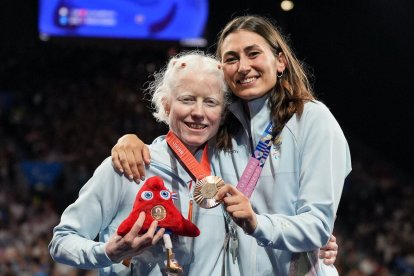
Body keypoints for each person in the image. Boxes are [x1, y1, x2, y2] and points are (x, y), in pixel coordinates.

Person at [111, 15, 350, 275]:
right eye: (232, 58)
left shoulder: (312, 120)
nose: (243, 67)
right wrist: (131, 142)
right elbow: (180, 149)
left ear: (280, 61)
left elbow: (318, 226)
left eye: (253, 53)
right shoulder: (223, 128)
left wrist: (258, 224)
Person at [49, 51, 240, 275]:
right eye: (186, 99)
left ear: (222, 113)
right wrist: (108, 253)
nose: (198, 112)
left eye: (210, 102)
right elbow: (61, 242)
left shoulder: (229, 173)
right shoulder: (127, 167)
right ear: (166, 105)